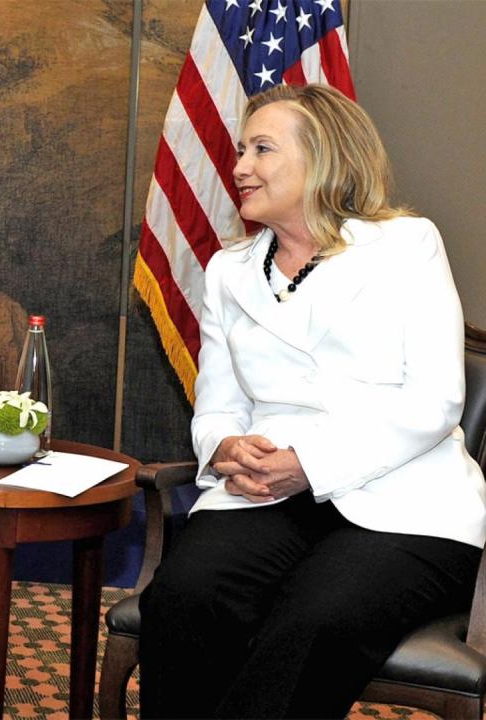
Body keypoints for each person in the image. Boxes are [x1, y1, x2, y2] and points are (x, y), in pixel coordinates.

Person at [138, 83, 486, 719]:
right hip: (267, 489)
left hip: (406, 499)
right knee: (184, 597)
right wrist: (223, 446)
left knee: (313, 618)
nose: (240, 167)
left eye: (261, 149)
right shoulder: (227, 271)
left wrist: (310, 462)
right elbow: (216, 406)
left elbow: (437, 401)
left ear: (323, 156)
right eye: (240, 150)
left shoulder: (406, 245)